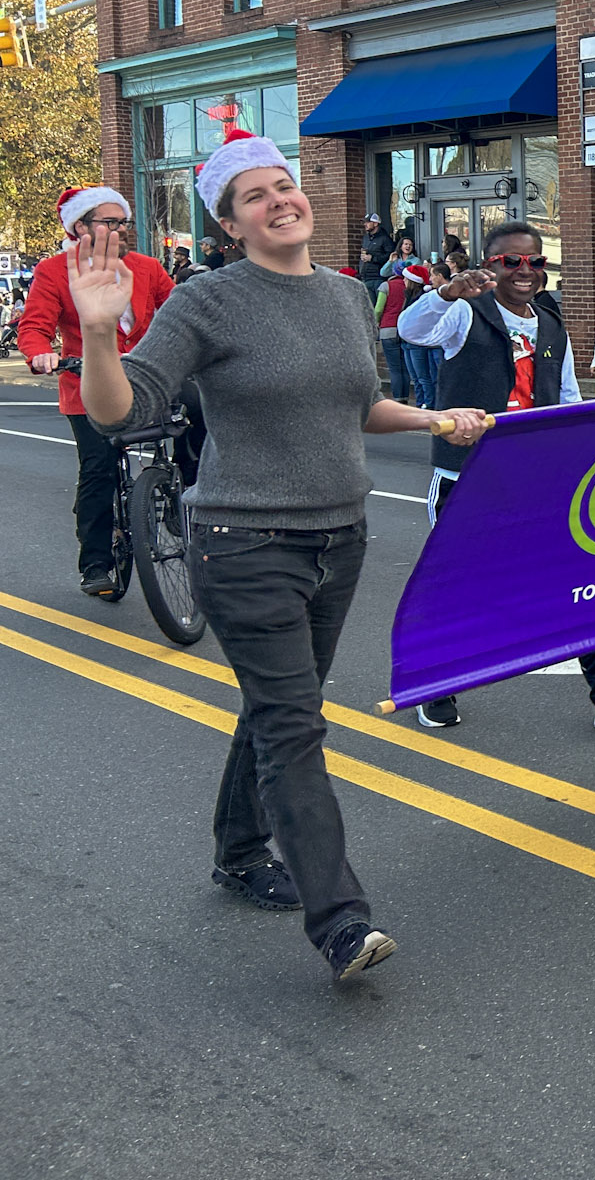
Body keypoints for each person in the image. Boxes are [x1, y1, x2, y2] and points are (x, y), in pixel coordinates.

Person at [70, 129, 492, 983]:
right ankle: (340, 920)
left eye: (285, 186)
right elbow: (122, 412)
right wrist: (101, 335)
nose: (280, 201)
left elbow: (363, 405)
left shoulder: (342, 295)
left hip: (341, 537)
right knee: (297, 722)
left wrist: (437, 421)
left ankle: (237, 847)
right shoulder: (208, 302)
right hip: (242, 541)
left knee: (276, 708)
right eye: (256, 196)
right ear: (231, 224)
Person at [398, 221, 595, 732]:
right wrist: (446, 291)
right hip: (467, 476)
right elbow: (411, 330)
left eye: (534, 262)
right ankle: (436, 687)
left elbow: (567, 399)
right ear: (489, 265)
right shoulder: (464, 314)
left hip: (535, 476)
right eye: (511, 261)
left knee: (580, 579)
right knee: (456, 586)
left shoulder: (552, 324)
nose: (524, 271)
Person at [20, 185, 177, 597]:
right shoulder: (55, 271)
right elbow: (35, 324)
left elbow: (179, 310)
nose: (120, 230)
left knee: (198, 416)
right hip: (86, 384)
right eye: (110, 222)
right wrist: (41, 354)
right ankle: (95, 563)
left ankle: (185, 503)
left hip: (146, 378)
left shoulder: (145, 267)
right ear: (80, 227)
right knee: (98, 469)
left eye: (122, 222)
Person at [396, 263, 441, 412]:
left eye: (405, 279)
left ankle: (428, 403)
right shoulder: (407, 296)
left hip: (417, 342)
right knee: (415, 377)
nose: (403, 281)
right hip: (406, 341)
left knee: (423, 376)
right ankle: (419, 402)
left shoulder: (422, 297)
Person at [371, 265, 411, 403]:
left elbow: (378, 309)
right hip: (405, 329)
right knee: (405, 365)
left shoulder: (386, 286)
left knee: (394, 368)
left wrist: (376, 322)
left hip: (388, 328)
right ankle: (406, 396)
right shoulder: (410, 286)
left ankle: (398, 398)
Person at [357, 212, 395, 292]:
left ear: (375, 223)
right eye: (364, 222)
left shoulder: (385, 239)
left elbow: (390, 257)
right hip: (365, 277)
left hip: (378, 278)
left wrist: (372, 258)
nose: (365, 224)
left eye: (367, 222)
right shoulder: (366, 238)